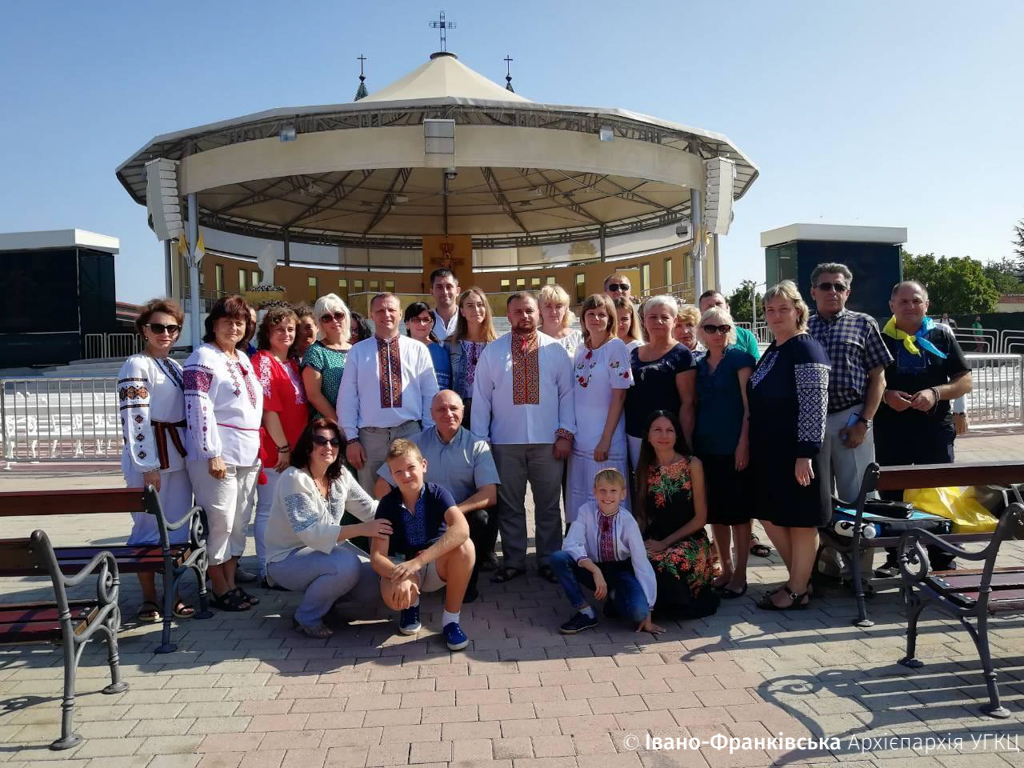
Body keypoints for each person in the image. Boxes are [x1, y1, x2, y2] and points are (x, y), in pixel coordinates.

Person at [471, 292, 576, 584]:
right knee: (511, 505)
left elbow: (568, 395)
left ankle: (549, 561)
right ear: (508, 316)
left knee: (548, 505)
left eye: (529, 310)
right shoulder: (493, 352)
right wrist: (481, 443)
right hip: (505, 442)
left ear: (538, 313)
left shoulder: (556, 350)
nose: (524, 316)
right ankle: (514, 561)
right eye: (517, 311)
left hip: (548, 441)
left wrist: (565, 434)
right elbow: (481, 400)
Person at [873, 281, 973, 576]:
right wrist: (886, 396)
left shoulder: (941, 335)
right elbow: (866, 381)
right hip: (891, 429)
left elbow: (965, 380)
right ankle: (896, 556)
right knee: (892, 494)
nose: (910, 306)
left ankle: (942, 557)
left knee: (939, 490)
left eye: (916, 300)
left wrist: (936, 393)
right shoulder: (879, 338)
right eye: (903, 301)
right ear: (891, 306)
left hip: (934, 429)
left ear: (926, 304)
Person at [748, 281, 831, 611]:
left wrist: (805, 453)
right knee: (771, 516)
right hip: (772, 451)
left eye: (783, 308)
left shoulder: (805, 347)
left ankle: (797, 589)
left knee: (800, 520)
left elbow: (814, 404)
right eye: (770, 310)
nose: (776, 315)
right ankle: (801, 580)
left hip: (798, 452)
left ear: (798, 311)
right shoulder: (776, 348)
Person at [264, 420, 388, 637]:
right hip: (286, 558)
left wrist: (406, 510)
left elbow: (369, 510)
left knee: (376, 579)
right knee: (346, 565)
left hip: (327, 552)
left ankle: (326, 602)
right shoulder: (294, 478)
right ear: (308, 445)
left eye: (334, 442)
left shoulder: (340, 475)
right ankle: (306, 617)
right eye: (320, 441)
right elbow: (312, 533)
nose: (328, 447)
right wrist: (363, 529)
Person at [375, 390, 500, 597]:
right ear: (431, 413)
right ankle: (408, 575)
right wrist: (397, 509)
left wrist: (452, 512)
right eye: (441, 409)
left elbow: (489, 494)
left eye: (453, 408)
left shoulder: (478, 446)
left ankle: (466, 583)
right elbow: (382, 484)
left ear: (463, 411)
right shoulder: (415, 443)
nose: (448, 414)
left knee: (482, 518)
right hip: (420, 513)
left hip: (459, 514)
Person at [183, 296, 263, 612]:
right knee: (221, 521)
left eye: (239, 322)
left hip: (247, 454)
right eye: (227, 321)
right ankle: (218, 586)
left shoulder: (242, 358)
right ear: (213, 324)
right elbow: (197, 406)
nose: (233, 327)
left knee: (240, 521)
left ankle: (231, 583)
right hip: (218, 455)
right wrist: (211, 451)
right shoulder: (202, 357)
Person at [117, 298, 194, 622]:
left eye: (172, 328)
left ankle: (172, 594)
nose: (165, 333)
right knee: (149, 528)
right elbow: (135, 418)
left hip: (178, 456)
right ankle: (149, 597)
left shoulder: (174, 366)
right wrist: (147, 466)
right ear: (144, 330)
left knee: (177, 530)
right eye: (158, 327)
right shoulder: (136, 365)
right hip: (149, 460)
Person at [371, 439, 475, 651]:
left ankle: (451, 621)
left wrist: (418, 562)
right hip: (401, 565)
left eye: (411, 467)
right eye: (398, 471)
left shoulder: (438, 494)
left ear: (424, 465)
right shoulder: (387, 504)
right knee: (395, 598)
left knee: (466, 547)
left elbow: (462, 529)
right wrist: (400, 575)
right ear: (391, 475)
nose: (406, 475)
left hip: (432, 564)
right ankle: (410, 606)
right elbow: (377, 556)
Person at [806, 263, 892, 503]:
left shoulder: (864, 324)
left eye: (839, 287)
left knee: (858, 497)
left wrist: (863, 422)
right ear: (813, 292)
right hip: (812, 421)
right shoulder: (802, 327)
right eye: (825, 286)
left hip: (851, 417)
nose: (832, 291)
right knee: (816, 498)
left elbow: (879, 378)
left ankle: (859, 530)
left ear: (848, 292)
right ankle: (824, 531)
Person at [339, 293, 439, 493]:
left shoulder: (418, 349)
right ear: (371, 315)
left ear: (400, 314)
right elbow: (348, 397)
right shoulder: (358, 351)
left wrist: (428, 435)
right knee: (372, 499)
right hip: (370, 439)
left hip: (409, 433)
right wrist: (351, 439)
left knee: (412, 493)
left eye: (391, 310)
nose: (386, 314)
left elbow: (430, 394)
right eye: (380, 310)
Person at [550, 469, 661, 635]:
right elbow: (571, 543)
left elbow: (641, 562)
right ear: (594, 492)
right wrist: (595, 571)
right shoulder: (585, 511)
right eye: (602, 490)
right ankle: (585, 612)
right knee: (558, 558)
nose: (607, 496)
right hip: (592, 567)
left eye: (613, 491)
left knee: (639, 612)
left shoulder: (628, 521)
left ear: (623, 494)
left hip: (620, 570)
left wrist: (649, 610)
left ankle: (614, 596)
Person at [694, 307, 756, 598]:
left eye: (723, 328)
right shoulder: (699, 364)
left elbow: (749, 406)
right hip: (706, 447)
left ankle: (741, 574)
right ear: (702, 331)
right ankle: (726, 570)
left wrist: (744, 443)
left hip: (734, 446)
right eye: (711, 328)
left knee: (739, 513)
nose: (717, 333)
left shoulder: (740, 359)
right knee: (717, 513)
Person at [634, 411, 719, 619]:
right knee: (636, 561)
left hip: (690, 539)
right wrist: (634, 544)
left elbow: (701, 518)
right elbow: (642, 516)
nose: (664, 435)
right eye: (657, 430)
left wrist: (665, 544)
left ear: (677, 435)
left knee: (668, 563)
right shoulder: (645, 468)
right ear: (648, 436)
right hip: (656, 537)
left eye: (669, 430)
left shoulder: (692, 464)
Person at [251, 306, 309, 582]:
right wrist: (283, 448)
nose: (286, 333)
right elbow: (267, 409)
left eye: (290, 329)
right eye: (279, 329)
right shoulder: (264, 361)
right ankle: (266, 569)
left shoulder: (293, 364)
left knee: (289, 509)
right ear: (267, 332)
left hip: (296, 450)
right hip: (276, 450)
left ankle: (288, 566)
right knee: (268, 509)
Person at [567, 294, 633, 521]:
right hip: (581, 440)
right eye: (591, 314)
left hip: (606, 439)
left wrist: (605, 440)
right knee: (584, 501)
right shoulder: (580, 350)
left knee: (607, 498)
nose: (596, 318)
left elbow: (620, 395)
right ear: (583, 318)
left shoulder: (615, 347)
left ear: (610, 318)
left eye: (601, 314)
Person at [623, 295, 696, 469]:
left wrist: (683, 441)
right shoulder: (633, 353)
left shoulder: (682, 354)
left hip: (667, 437)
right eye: (653, 317)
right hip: (634, 433)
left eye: (665, 317)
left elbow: (688, 403)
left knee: (664, 483)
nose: (658, 321)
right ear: (644, 320)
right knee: (639, 482)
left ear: (674, 321)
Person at [444, 287, 498, 432]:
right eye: (470, 305)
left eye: (480, 305)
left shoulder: (497, 345)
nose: (476, 310)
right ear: (462, 311)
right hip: (457, 407)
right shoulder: (450, 344)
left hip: (489, 408)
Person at [301, 294, 352, 424]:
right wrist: (340, 424)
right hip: (328, 426)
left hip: (357, 423)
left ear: (346, 315)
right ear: (320, 323)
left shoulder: (356, 350)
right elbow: (314, 395)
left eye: (338, 315)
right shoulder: (316, 352)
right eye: (326, 318)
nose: (334, 321)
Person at [698, 290, 761, 360]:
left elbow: (756, 363)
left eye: (718, 304)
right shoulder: (696, 338)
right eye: (709, 306)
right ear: (701, 313)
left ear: (727, 307)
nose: (715, 308)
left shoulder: (745, 336)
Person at [404, 301, 452, 390]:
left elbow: (439, 389)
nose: (421, 324)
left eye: (426, 320)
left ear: (432, 323)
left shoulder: (439, 353)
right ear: (407, 324)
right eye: (416, 320)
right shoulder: (399, 350)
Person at [539, 283, 583, 357]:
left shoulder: (577, 337)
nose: (553, 311)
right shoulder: (532, 339)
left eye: (558, 306)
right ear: (540, 309)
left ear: (565, 309)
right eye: (548, 306)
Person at [429, 267, 461, 342]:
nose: (445, 292)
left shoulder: (467, 318)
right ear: (431, 292)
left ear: (457, 291)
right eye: (439, 287)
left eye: (449, 287)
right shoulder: (424, 321)